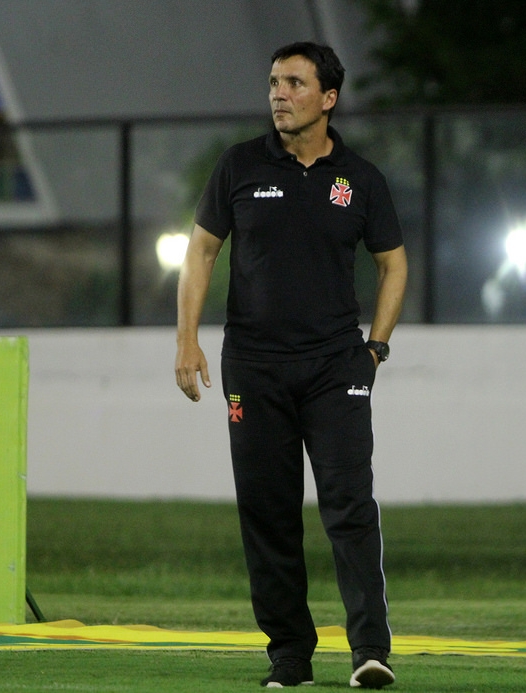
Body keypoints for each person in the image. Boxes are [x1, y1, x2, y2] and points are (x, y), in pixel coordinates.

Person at [174, 41, 407, 689]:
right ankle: (289, 657)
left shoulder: (360, 179)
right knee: (268, 512)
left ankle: (370, 649)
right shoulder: (239, 165)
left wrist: (376, 346)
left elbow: (394, 263)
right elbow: (200, 255)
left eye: (295, 83)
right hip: (253, 367)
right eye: (274, 82)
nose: (279, 93)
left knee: (349, 504)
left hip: (337, 366)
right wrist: (186, 338)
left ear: (327, 98)